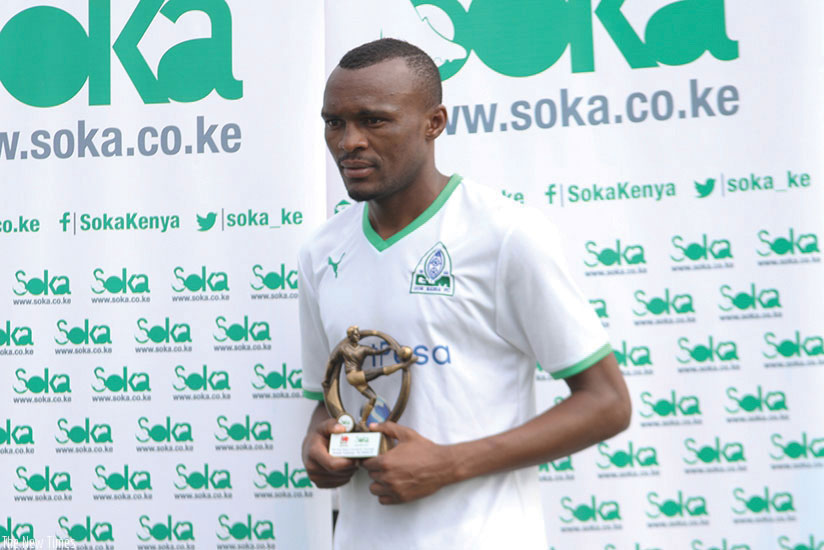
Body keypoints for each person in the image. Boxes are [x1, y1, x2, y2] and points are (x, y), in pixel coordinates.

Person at [299, 38, 631, 550]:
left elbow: (607, 403)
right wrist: (320, 440)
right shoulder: (322, 251)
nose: (349, 141)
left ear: (434, 123)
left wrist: (449, 464)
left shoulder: (505, 235)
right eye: (334, 122)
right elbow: (332, 398)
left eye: (374, 120)